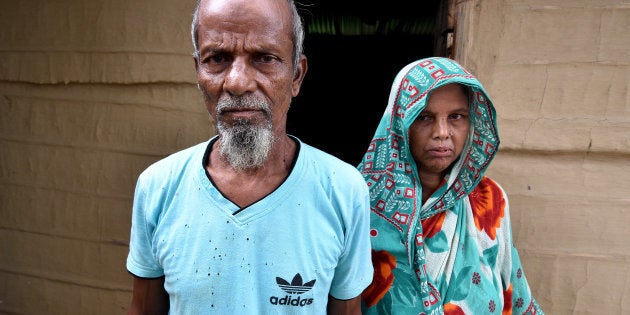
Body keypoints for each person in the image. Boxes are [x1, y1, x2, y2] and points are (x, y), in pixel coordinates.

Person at [125, 0, 373, 313]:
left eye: (265, 58)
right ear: (198, 71)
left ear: (297, 75)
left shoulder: (343, 190)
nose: (237, 82)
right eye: (217, 58)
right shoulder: (158, 187)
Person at [358, 57, 544, 314]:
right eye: (424, 117)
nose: (442, 132)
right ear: (400, 122)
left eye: (456, 116)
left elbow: (513, 287)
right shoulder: (359, 198)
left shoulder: (489, 199)